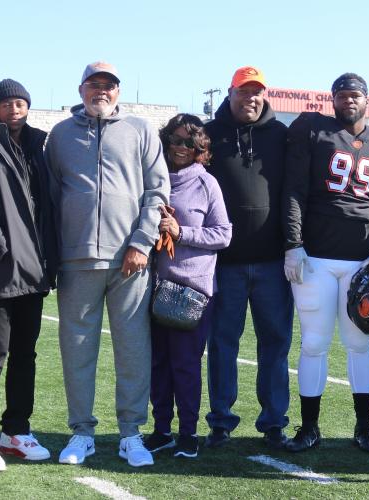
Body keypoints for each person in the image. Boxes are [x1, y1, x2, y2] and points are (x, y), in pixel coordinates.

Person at [45, 62, 170, 467]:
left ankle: (131, 433)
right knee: (77, 350)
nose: (102, 91)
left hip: (130, 260)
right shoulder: (60, 135)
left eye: (109, 86)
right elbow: (48, 197)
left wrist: (141, 242)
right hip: (76, 259)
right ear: (81, 89)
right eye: (95, 84)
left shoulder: (141, 130)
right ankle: (81, 432)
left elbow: (157, 191)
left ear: (118, 91)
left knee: (133, 349)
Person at [283, 72, 369, 453]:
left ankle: (364, 427)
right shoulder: (314, 130)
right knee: (314, 343)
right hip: (316, 256)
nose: (349, 100)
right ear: (332, 100)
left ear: (367, 100)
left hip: (362, 261)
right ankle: (309, 428)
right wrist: (293, 243)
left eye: (356, 95)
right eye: (342, 95)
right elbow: (295, 190)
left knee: (358, 344)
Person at [204, 66, 293, 449]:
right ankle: (221, 422)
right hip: (225, 262)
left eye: (257, 92)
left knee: (275, 343)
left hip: (274, 263)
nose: (251, 98)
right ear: (231, 92)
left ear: (264, 95)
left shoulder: (281, 136)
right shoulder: (209, 134)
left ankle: (274, 422)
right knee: (223, 343)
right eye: (244, 92)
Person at [144, 114, 231, 459]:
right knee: (158, 364)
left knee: (185, 364)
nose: (181, 148)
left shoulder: (207, 183)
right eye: (176, 140)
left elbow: (223, 234)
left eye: (189, 143)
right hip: (153, 286)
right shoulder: (154, 179)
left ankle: (188, 433)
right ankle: (161, 429)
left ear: (200, 149)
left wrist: (182, 233)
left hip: (190, 289)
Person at [0, 79, 58, 470]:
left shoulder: (40, 144)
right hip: (3, 269)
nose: (13, 109)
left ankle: (15, 430)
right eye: (5, 103)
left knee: (25, 355)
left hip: (34, 271)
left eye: (19, 102)